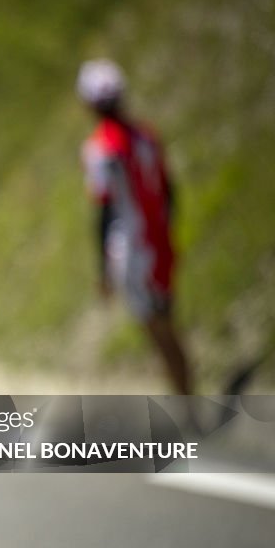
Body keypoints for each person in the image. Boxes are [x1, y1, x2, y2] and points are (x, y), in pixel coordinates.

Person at [77, 58, 193, 395]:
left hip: (134, 249)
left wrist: (102, 270)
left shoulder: (100, 148)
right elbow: (170, 191)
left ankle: (184, 407)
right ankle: (186, 399)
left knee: (158, 331)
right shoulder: (147, 135)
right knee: (168, 324)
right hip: (159, 241)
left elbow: (103, 210)